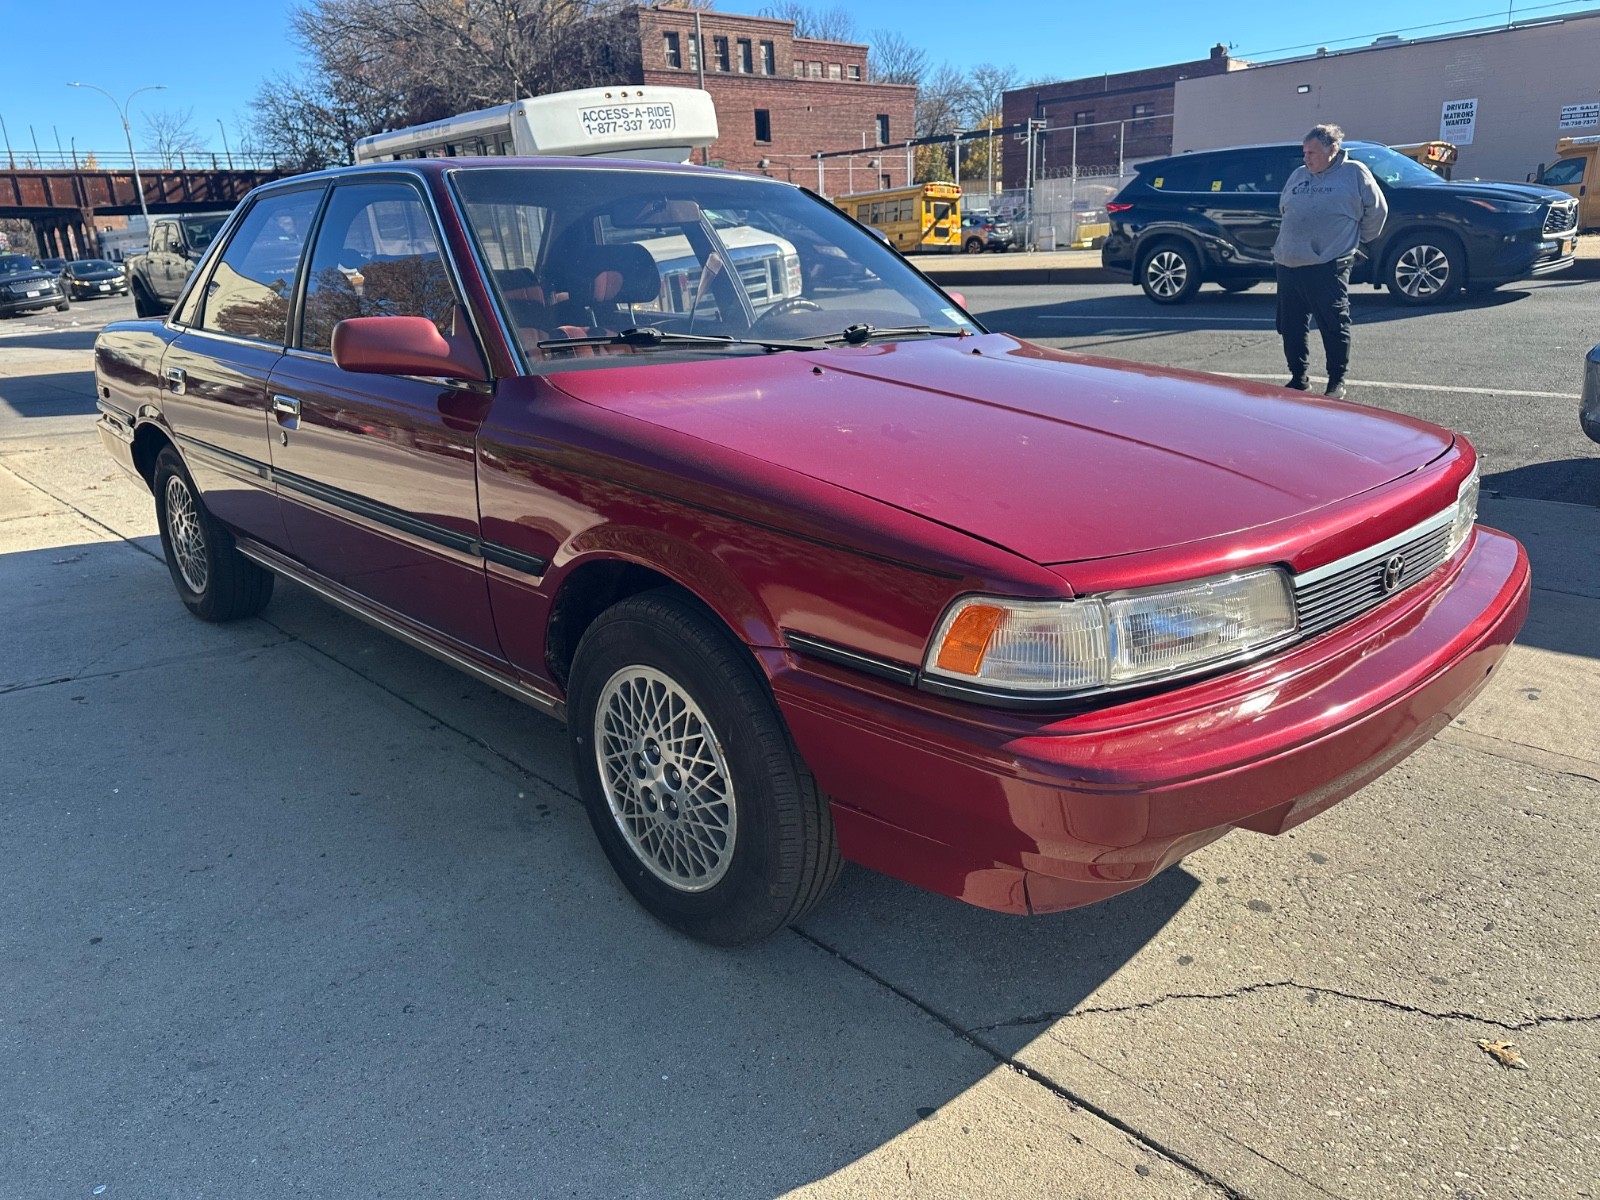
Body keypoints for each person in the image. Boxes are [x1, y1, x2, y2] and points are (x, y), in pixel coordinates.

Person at [1273, 124, 1387, 400]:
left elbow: (1377, 212)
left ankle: (1336, 380)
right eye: (1304, 152)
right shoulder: (1298, 175)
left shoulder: (1354, 173)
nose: (1306, 158)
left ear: (1332, 149)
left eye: (1312, 152)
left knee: (1333, 324)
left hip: (1328, 263)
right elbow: (1284, 208)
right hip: (1289, 262)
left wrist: (1354, 241)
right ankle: (1298, 377)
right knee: (1290, 325)